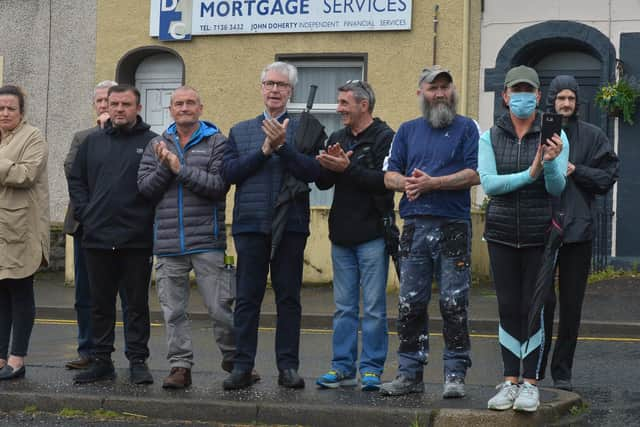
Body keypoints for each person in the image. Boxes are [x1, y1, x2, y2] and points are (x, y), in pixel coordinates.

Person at [138, 86, 253, 389]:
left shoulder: (217, 143)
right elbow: (146, 190)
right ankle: (180, 367)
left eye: (190, 103)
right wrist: (166, 168)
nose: (185, 108)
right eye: (179, 103)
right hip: (167, 243)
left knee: (220, 309)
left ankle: (234, 360)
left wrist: (179, 168)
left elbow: (218, 186)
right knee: (173, 312)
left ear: (201, 108)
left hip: (208, 242)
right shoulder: (156, 144)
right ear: (171, 110)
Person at [221, 62, 324, 390]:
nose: (275, 90)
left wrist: (284, 147)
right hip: (250, 225)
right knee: (247, 299)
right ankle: (242, 366)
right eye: (269, 84)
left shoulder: (307, 129)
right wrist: (265, 151)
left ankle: (288, 368)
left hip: (291, 225)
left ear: (290, 91)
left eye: (281, 85)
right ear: (261, 88)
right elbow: (230, 173)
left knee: (288, 300)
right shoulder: (240, 131)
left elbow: (316, 174)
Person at [380, 66, 479, 398]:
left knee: (454, 303)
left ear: (452, 92)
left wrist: (433, 183)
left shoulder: (467, 128)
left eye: (445, 87)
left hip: (453, 225)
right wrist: (408, 183)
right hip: (414, 228)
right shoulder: (407, 130)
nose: (440, 93)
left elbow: (475, 173)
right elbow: (389, 175)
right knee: (410, 303)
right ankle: (409, 374)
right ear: (420, 92)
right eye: (433, 87)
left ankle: (454, 373)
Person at [479, 65, 569, 412]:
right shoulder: (490, 136)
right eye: (515, 91)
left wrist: (548, 163)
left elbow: (558, 186)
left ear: (538, 96)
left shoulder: (556, 136)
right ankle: (509, 380)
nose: (521, 97)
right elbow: (489, 184)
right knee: (507, 308)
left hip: (538, 235)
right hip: (501, 233)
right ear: (504, 96)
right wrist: (529, 172)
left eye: (527, 91)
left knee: (533, 309)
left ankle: (530, 382)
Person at [68, 84, 157, 385]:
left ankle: (138, 362)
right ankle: (101, 361)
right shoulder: (92, 142)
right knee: (100, 304)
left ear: (138, 108)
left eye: (126, 104)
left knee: (136, 305)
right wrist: (86, 213)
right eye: (114, 103)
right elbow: (76, 180)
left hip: (137, 240)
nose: (119, 109)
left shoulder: (153, 142)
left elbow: (159, 186)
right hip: (97, 237)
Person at [314, 80, 394, 391]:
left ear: (364, 105)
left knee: (373, 307)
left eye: (345, 103)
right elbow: (322, 184)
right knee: (344, 307)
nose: (339, 109)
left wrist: (347, 168)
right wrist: (325, 165)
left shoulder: (386, 137)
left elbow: (386, 181)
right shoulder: (337, 137)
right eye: (339, 102)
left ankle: (371, 369)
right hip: (341, 235)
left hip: (373, 234)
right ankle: (342, 367)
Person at [541, 75, 619, 391]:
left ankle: (562, 372)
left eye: (571, 99)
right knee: (540, 305)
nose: (566, 104)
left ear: (577, 102)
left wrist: (576, 170)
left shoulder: (592, 135)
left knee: (571, 307)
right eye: (561, 98)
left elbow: (608, 176)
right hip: (542, 231)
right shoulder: (538, 134)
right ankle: (534, 370)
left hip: (579, 232)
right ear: (551, 100)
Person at [63, 80, 130, 370]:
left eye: (111, 101)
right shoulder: (84, 137)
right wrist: (103, 135)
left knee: (127, 296)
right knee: (86, 294)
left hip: (124, 229)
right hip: (87, 226)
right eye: (101, 101)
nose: (106, 106)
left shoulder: (135, 138)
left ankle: (129, 354)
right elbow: (72, 171)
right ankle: (88, 349)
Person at [0, 85, 49, 380]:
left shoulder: (33, 137)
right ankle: (1, 356)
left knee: (19, 295)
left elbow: (26, 174)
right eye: (0, 108)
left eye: (10, 109)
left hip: (21, 231)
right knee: (0, 298)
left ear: (21, 112)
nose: (5, 113)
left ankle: (17, 359)